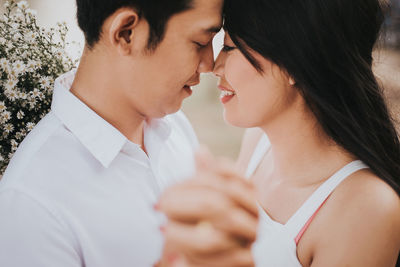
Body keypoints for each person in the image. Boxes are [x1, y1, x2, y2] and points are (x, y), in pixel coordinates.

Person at [159, 0, 400, 266]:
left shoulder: (367, 209)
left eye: (228, 47)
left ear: (294, 62)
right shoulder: (259, 144)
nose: (214, 67)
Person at [0, 0, 225, 266]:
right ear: (126, 33)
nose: (209, 64)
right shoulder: (31, 204)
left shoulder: (175, 127)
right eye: (200, 42)